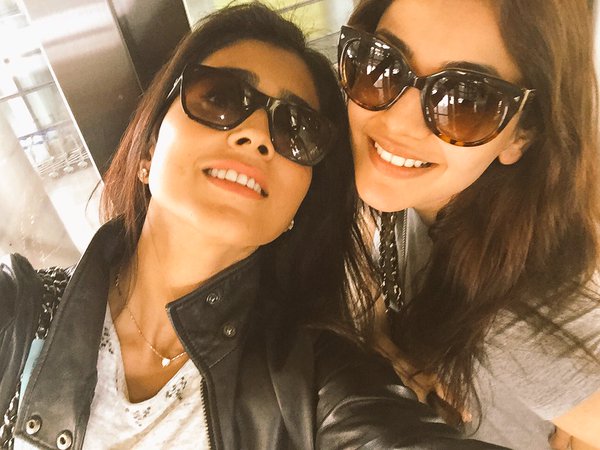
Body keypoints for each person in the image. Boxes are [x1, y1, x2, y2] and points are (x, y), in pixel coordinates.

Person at [0, 3, 506, 450]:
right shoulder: (15, 318)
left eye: (296, 129)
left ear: (297, 208)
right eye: (220, 97)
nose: (257, 134)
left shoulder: (311, 384)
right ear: (149, 149)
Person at [337, 0, 600, 448]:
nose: (398, 121)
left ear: (521, 135)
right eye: (381, 63)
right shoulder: (416, 198)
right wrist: (378, 340)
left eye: (465, 101)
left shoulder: (520, 312)